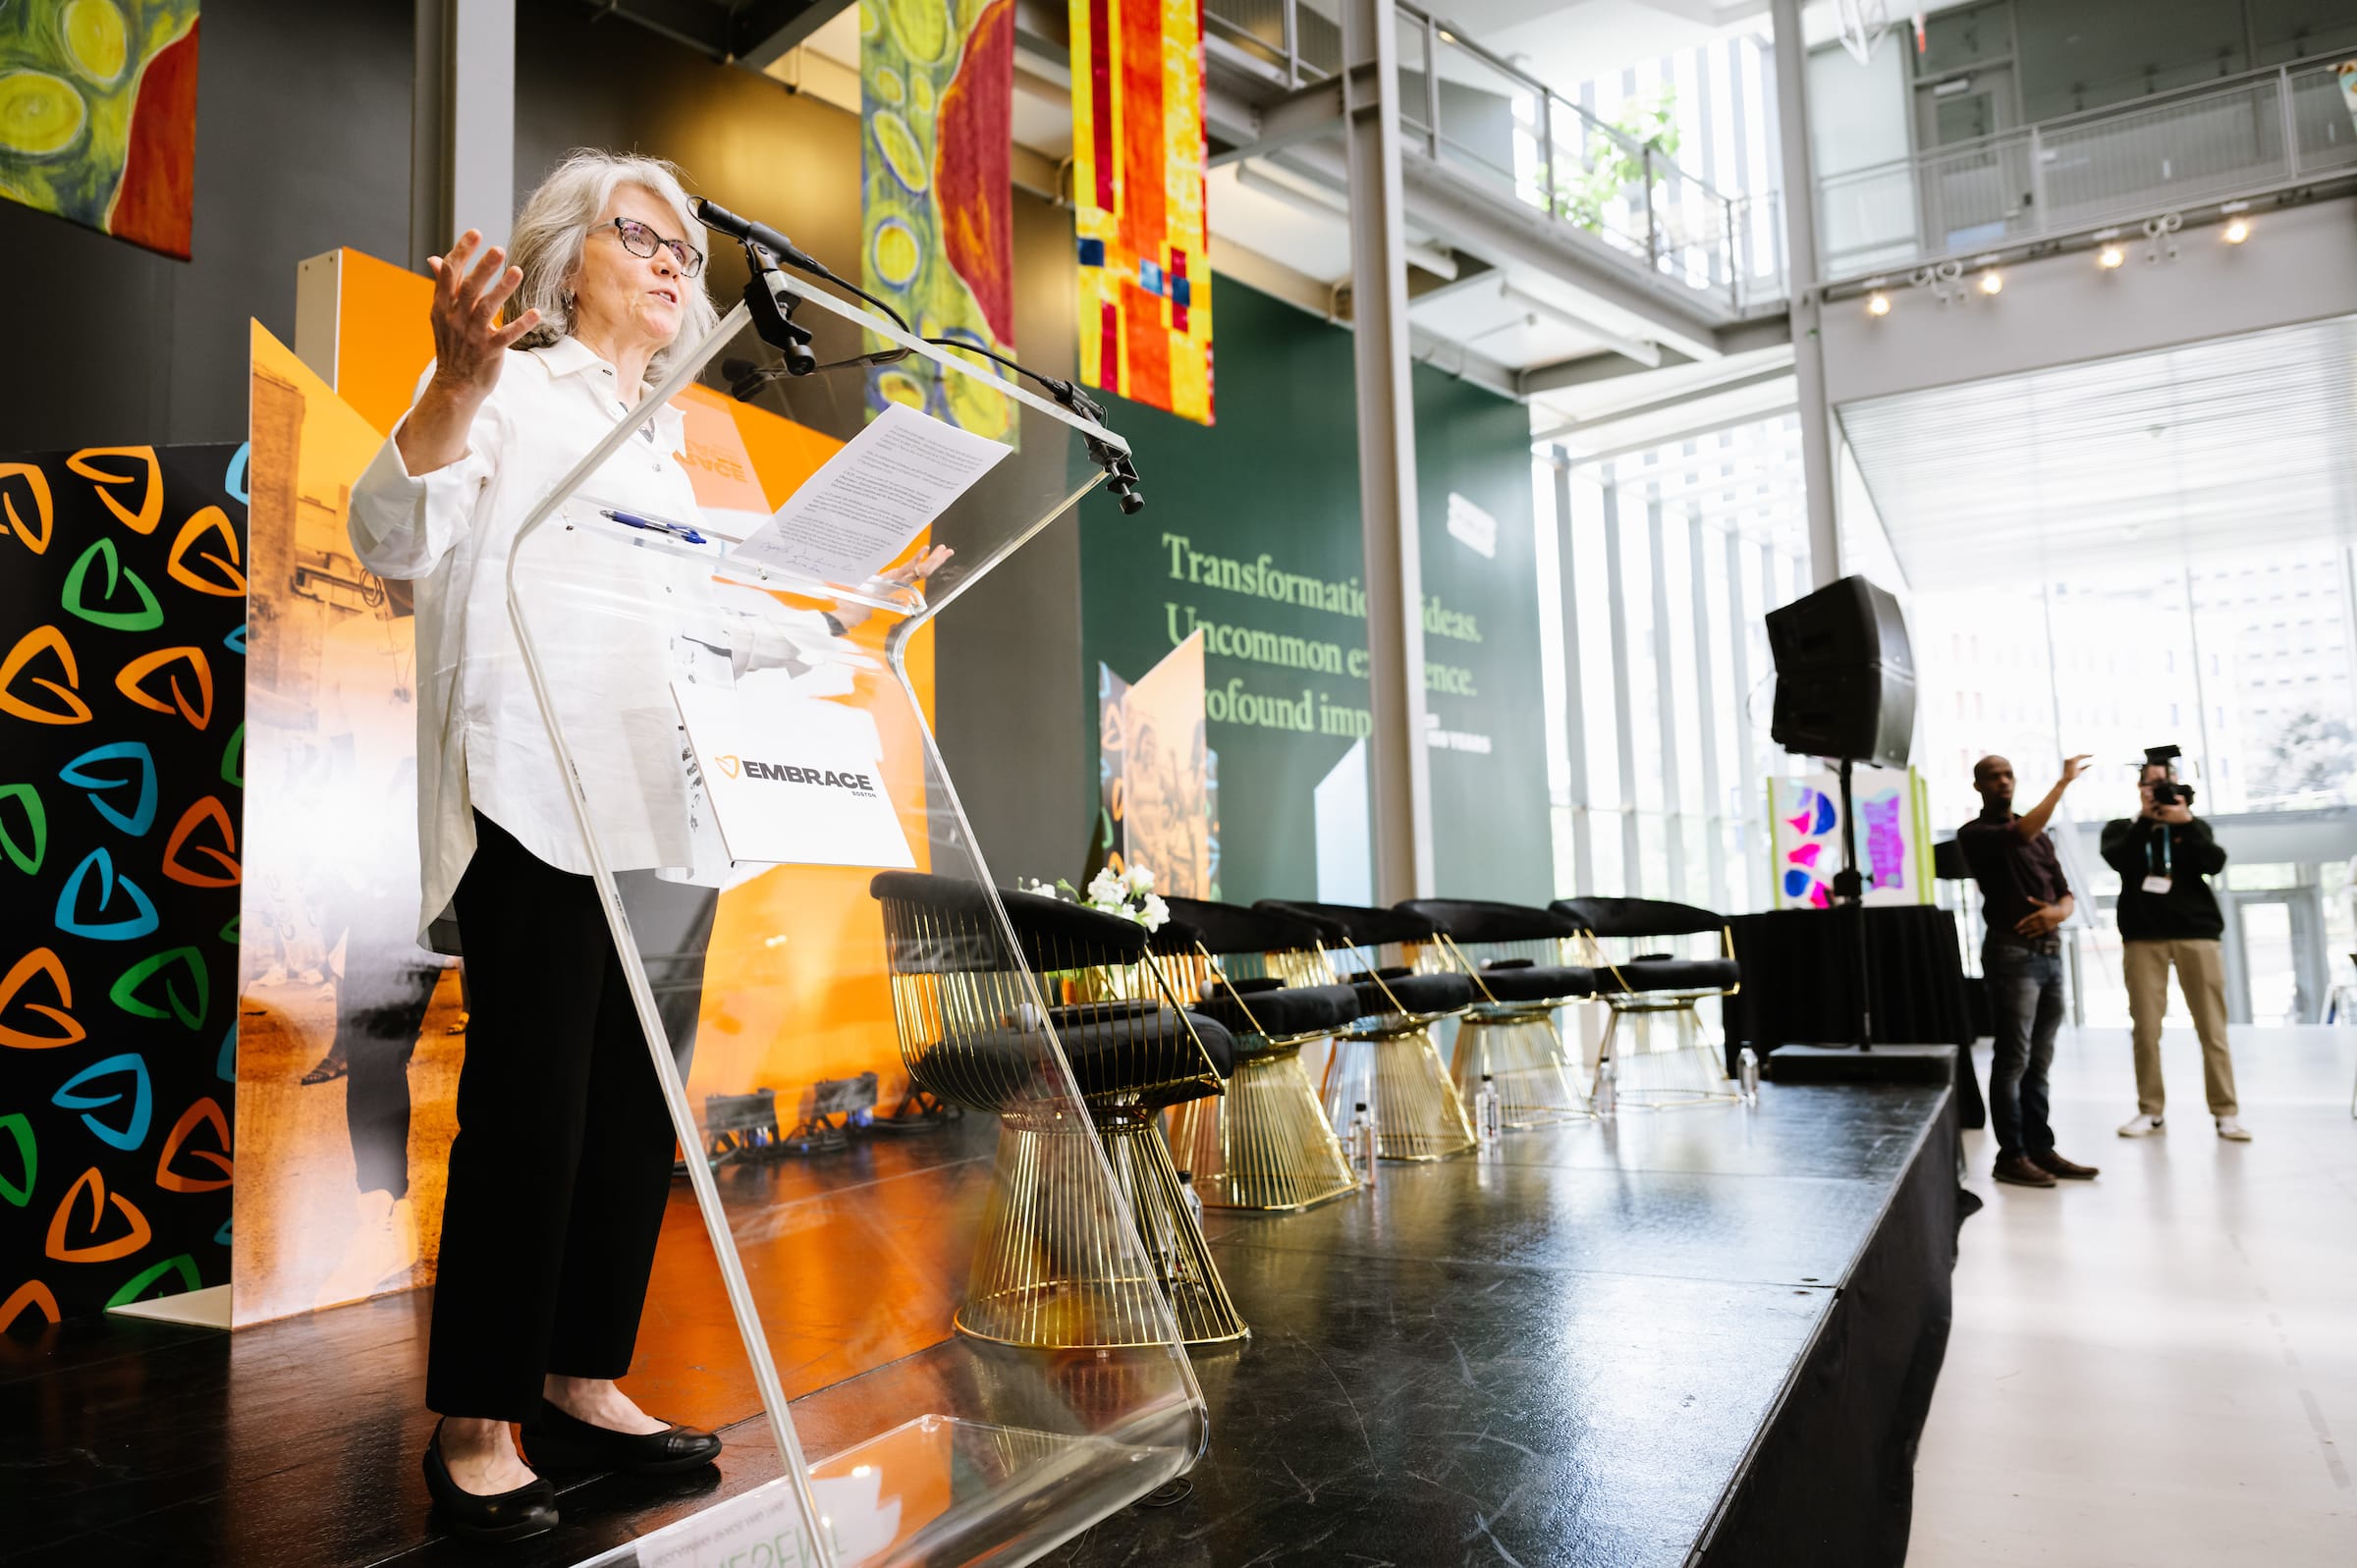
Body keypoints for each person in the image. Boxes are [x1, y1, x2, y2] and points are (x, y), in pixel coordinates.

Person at [348, 151, 944, 1543]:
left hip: (649, 811)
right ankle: (480, 1416)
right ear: (568, 264)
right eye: (646, 238)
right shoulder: (513, 390)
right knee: (530, 1112)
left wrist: (863, 607)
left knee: (626, 1120)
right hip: (524, 799)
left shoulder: (676, 438)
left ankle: (579, 1377)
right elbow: (390, 534)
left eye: (687, 248)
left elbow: (728, 625)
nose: (678, 263)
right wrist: (452, 382)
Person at [1958, 754, 2102, 1188]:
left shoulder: (2042, 838)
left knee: (2039, 1060)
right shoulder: (1977, 833)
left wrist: (2057, 914)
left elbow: (2065, 894)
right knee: (2013, 1059)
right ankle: (2012, 1156)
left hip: (2049, 953)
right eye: (1993, 776)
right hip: (2011, 954)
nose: (2003, 781)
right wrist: (2062, 784)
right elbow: (2019, 833)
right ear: (1979, 786)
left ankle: (2041, 1148)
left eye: (2008, 774)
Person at [2102, 757, 2248, 1142]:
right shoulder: (2124, 829)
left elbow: (2214, 863)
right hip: (2142, 937)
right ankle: (2150, 1110)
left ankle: (2225, 1112)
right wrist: (2146, 820)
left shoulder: (2192, 825)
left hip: (2196, 934)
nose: (2156, 791)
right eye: (2149, 785)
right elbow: (2120, 860)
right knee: (2145, 1029)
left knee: (2212, 1028)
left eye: (2162, 783)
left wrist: (2183, 822)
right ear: (2139, 789)